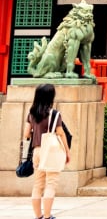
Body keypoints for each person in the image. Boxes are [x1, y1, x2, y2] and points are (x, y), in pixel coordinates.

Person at [22, 83, 70, 219]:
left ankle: (38, 216)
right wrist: (67, 152)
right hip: (51, 152)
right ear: (51, 96)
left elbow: (26, 134)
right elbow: (61, 133)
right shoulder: (54, 114)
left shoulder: (31, 113)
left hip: (37, 151)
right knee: (51, 184)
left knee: (38, 185)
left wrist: (35, 134)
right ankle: (48, 216)